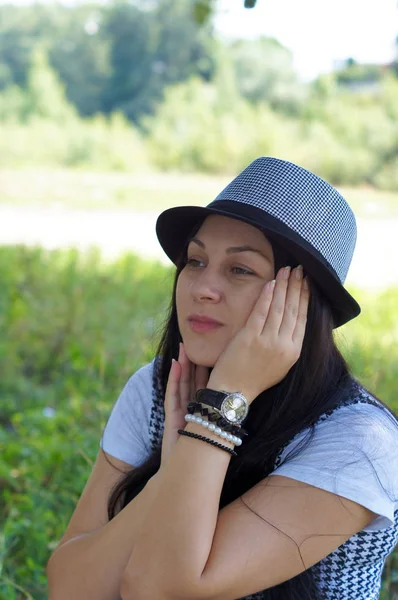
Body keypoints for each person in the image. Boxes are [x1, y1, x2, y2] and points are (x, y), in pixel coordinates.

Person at [47, 157, 398, 600]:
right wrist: (170, 476)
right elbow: (71, 590)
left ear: (302, 303)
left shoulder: (358, 442)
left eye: (239, 270)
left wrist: (222, 405)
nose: (201, 288)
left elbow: (162, 589)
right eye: (195, 261)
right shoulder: (159, 391)